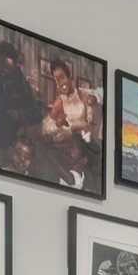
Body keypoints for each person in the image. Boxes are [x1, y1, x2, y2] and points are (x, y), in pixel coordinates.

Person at [38, 58, 99, 188]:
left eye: (62, 77)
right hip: (70, 142)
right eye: (56, 79)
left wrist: (95, 98)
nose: (60, 82)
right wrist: (57, 124)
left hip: (85, 142)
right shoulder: (60, 101)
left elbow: (102, 92)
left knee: (98, 163)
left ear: (70, 77)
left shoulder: (82, 93)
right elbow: (45, 128)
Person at [0, 40, 44, 169]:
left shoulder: (20, 84)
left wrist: (16, 114)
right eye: (1, 65)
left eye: (9, 68)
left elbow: (35, 113)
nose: (4, 70)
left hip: (8, 140)